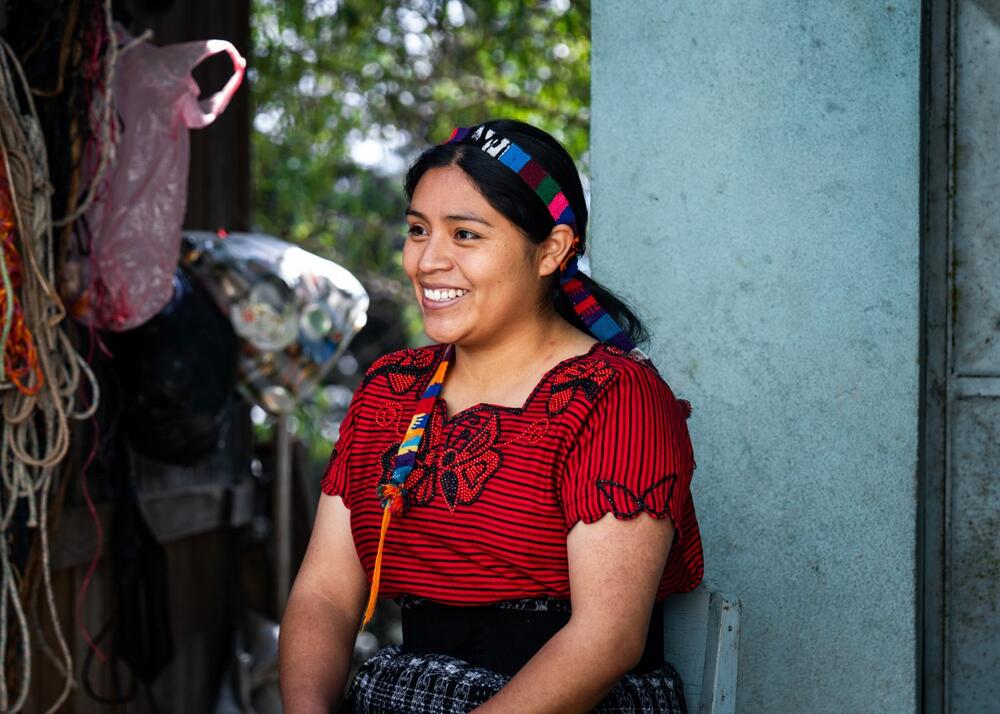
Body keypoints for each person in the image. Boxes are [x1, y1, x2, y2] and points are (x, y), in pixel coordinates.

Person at [278, 119, 703, 713]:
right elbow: (324, 593)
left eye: (466, 235)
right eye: (418, 230)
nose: (428, 261)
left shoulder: (614, 398)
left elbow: (606, 640)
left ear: (552, 250)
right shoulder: (390, 392)